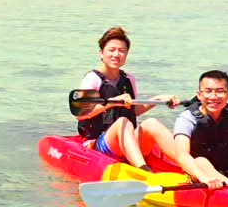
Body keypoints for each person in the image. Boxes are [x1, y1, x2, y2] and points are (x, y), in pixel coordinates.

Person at [69, 26, 177, 170]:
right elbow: (81, 116)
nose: (116, 54)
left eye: (122, 51)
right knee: (122, 122)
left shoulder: (128, 79)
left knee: (151, 123)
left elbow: (133, 111)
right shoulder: (93, 79)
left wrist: (158, 99)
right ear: (101, 53)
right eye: (111, 50)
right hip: (101, 143)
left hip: (127, 139)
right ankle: (143, 169)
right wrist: (112, 103)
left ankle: (188, 164)